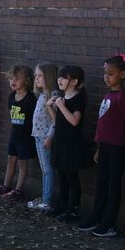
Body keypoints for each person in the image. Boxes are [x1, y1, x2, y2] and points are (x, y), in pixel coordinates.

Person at [78, 54, 125, 238]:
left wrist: (120, 138)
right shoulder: (108, 96)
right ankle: (95, 217)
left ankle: (108, 223)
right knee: (101, 182)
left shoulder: (123, 98)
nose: (106, 77)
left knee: (113, 185)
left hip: (118, 147)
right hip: (104, 146)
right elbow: (102, 125)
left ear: (122, 74)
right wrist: (99, 148)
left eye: (110, 74)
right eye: (105, 73)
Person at [48, 65, 88, 222]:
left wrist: (61, 106)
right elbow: (58, 121)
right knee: (62, 177)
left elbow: (74, 121)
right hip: (60, 142)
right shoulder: (62, 98)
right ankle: (62, 205)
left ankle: (73, 210)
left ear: (74, 81)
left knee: (72, 178)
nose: (60, 80)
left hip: (71, 144)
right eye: (59, 77)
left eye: (64, 77)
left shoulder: (78, 99)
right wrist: (51, 107)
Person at [0, 65, 36, 202]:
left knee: (22, 163)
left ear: (26, 80)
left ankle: (18, 190)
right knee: (10, 160)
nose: (13, 81)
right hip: (14, 134)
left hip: (25, 136)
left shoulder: (31, 99)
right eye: (11, 78)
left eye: (16, 79)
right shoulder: (11, 96)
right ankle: (5, 186)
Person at [28, 63, 58, 211]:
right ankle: (44, 197)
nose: (37, 79)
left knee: (48, 169)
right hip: (38, 135)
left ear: (49, 76)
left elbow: (55, 120)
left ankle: (48, 201)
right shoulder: (42, 95)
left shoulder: (54, 95)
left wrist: (50, 136)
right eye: (36, 76)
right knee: (44, 169)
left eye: (40, 75)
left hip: (46, 137)